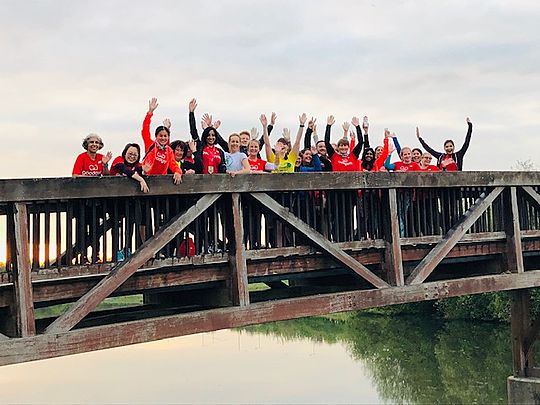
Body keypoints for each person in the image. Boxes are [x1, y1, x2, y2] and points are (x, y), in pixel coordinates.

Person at [140, 97, 182, 184]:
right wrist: (150, 113)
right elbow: (145, 130)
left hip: (161, 182)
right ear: (156, 136)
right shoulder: (150, 144)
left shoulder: (169, 150)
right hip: (146, 180)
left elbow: (173, 165)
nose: (163, 138)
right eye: (161, 136)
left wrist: (178, 172)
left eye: (165, 136)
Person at [189, 98, 227, 175]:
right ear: (205, 136)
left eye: (213, 135)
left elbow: (222, 168)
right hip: (201, 182)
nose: (211, 137)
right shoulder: (200, 146)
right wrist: (191, 113)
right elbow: (193, 131)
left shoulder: (220, 152)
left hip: (216, 183)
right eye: (208, 135)